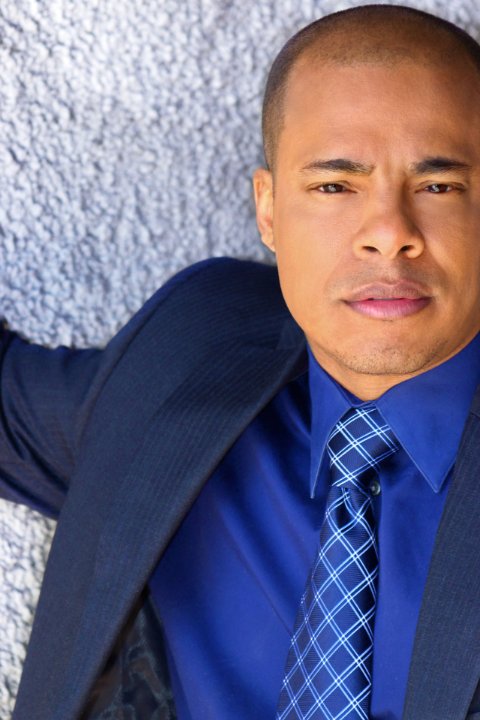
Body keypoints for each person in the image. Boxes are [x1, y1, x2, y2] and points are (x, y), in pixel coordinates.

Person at [2, 3, 480, 718]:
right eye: (334, 186)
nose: (389, 233)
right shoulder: (190, 353)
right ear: (268, 210)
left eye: (438, 186)